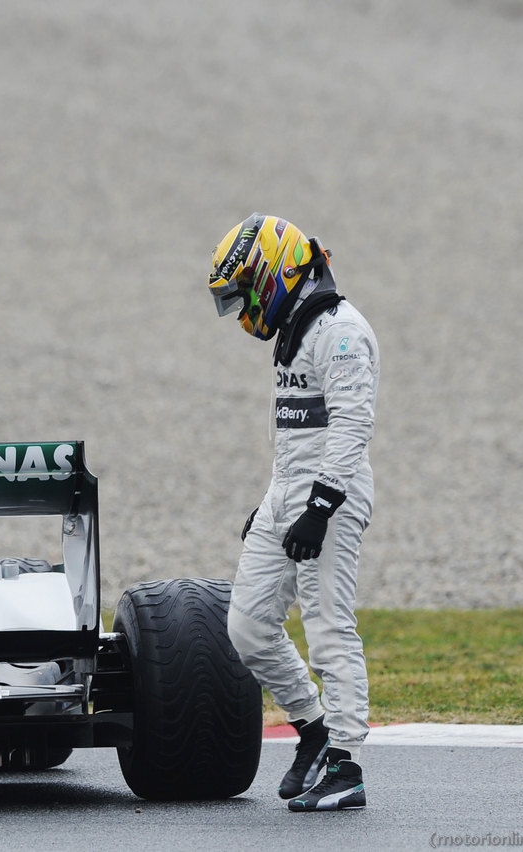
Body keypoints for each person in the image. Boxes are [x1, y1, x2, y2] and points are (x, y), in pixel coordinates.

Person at [207, 213, 379, 812]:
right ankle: (313, 728)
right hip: (288, 496)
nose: (243, 312)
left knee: (329, 625)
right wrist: (271, 506)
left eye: (244, 294)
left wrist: (322, 507)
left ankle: (348, 766)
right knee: (247, 625)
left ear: (271, 273)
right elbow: (296, 440)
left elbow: (352, 426)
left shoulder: (342, 331)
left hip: (331, 498)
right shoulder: (295, 331)